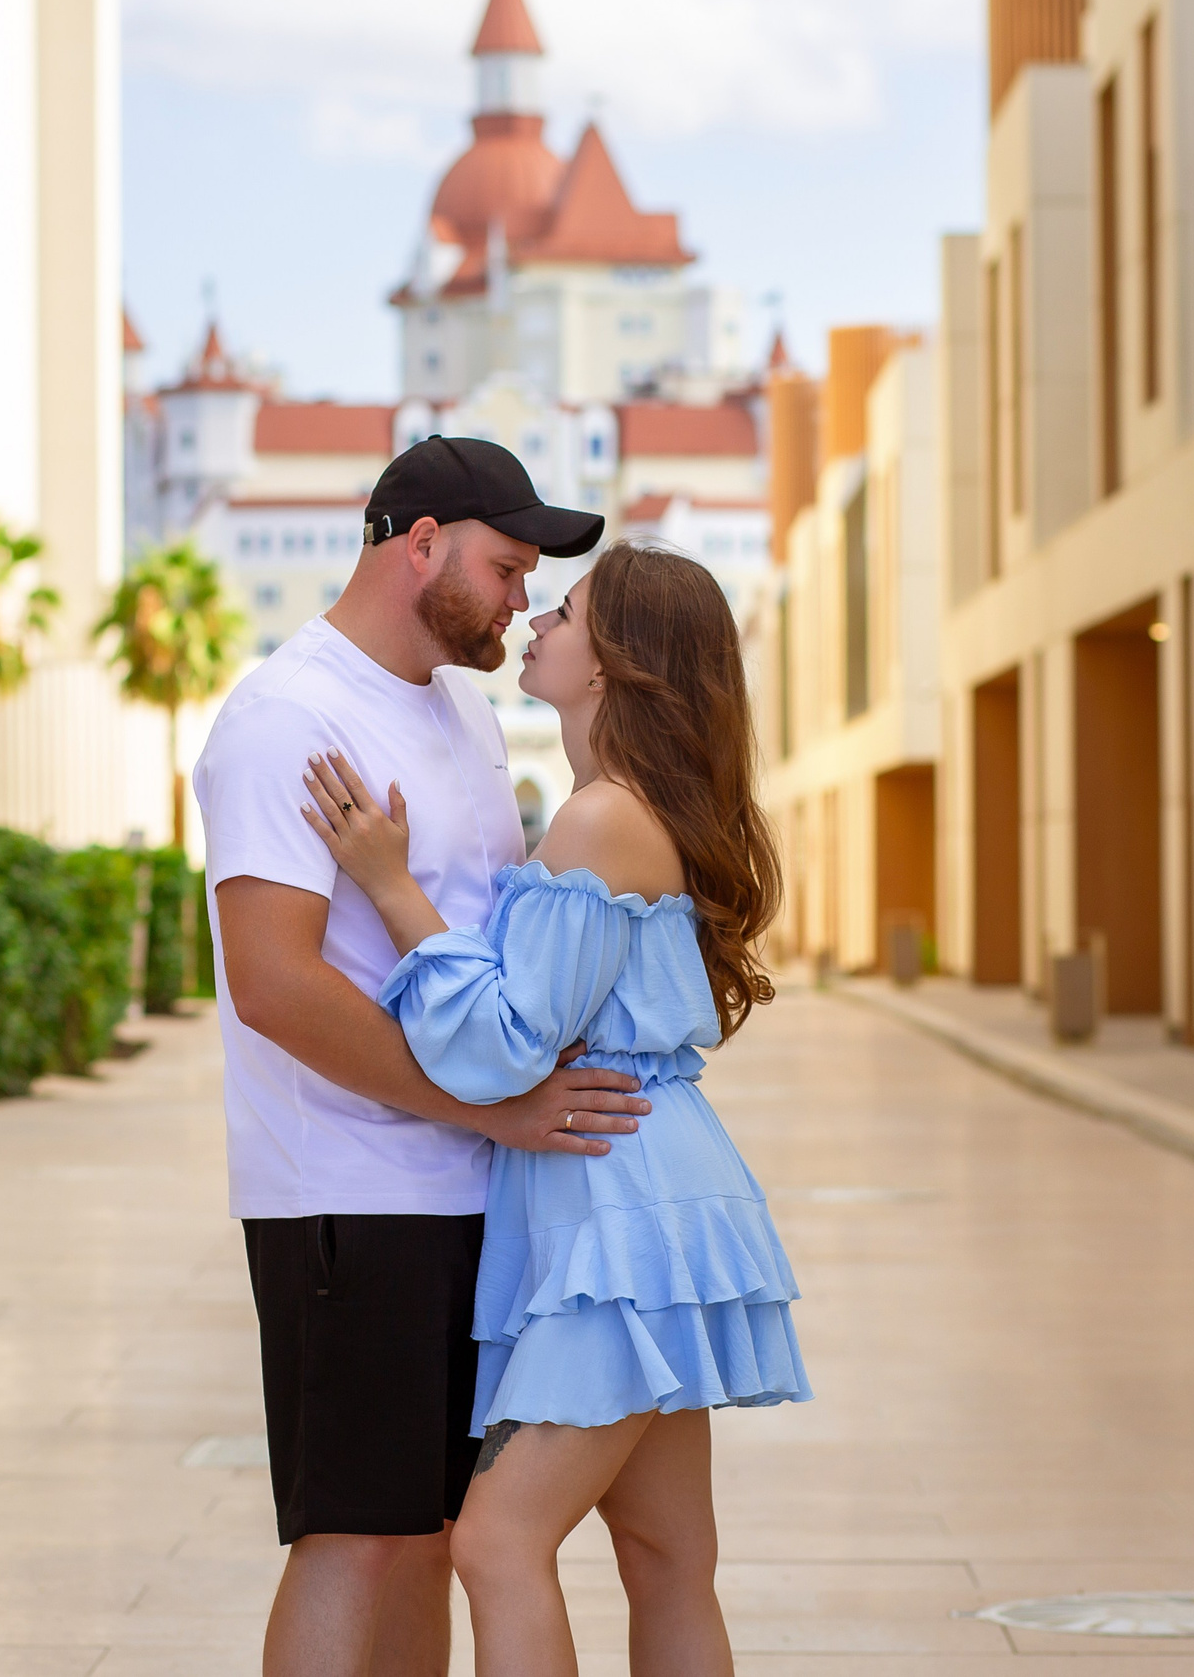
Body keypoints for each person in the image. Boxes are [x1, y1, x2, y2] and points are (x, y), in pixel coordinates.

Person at [299, 538, 808, 1677]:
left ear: (617, 661)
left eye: (566, 612)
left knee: (497, 1542)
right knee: (668, 1555)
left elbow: (502, 1046)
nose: (536, 620)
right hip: (648, 1190)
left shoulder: (599, 821)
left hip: (617, 1204)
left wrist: (389, 888)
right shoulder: (622, 811)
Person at [193, 436, 654, 1677]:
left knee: (440, 1530)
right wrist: (486, 1108)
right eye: (507, 570)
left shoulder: (457, 708)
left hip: (474, 1196)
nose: (520, 601)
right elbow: (276, 984)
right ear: (422, 545)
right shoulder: (288, 716)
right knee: (358, 1537)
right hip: (350, 1193)